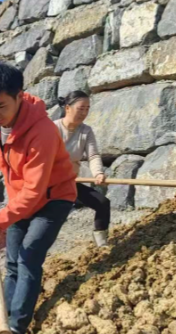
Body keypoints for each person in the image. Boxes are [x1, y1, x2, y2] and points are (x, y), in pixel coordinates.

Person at [0, 63, 77, 334]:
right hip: (21, 200)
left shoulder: (41, 131)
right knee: (12, 262)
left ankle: (17, 329)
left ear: (19, 96)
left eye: (1, 106)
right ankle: (2, 322)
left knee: (29, 256)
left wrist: (1, 220)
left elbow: (36, 190)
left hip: (54, 198)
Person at [54, 91, 111, 247]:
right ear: (68, 108)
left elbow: (93, 156)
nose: (84, 113)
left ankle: (101, 242)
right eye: (81, 108)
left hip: (71, 183)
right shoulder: (53, 129)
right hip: (50, 184)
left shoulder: (86, 131)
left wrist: (98, 173)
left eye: (87, 108)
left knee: (103, 203)